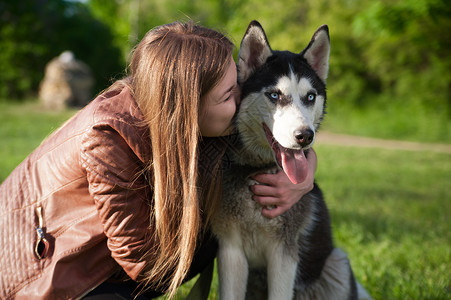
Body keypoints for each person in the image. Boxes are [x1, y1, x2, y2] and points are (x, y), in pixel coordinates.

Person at [0, 21, 317, 299]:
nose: (243, 96)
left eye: (238, 82)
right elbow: (141, 261)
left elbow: (278, 140)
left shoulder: (171, 108)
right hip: (50, 279)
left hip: (104, 265)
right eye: (229, 93)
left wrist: (304, 173)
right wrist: (222, 222)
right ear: (188, 105)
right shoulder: (108, 138)